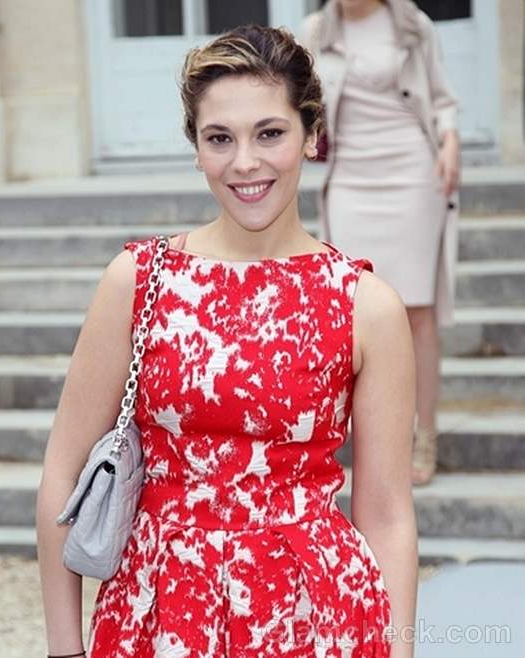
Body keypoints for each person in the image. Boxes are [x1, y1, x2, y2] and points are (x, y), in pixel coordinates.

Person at [36, 24, 418, 658]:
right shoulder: (139, 280)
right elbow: (62, 473)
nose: (245, 162)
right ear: (196, 149)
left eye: (270, 133)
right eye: (220, 138)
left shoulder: (367, 306)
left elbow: (386, 515)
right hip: (156, 611)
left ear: (312, 136)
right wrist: (63, 648)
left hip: (316, 615)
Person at [298, 0, 461, 486]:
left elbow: (443, 97)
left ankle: (423, 434)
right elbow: (297, 103)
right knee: (351, 312)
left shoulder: (412, 23)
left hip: (412, 170)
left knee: (417, 311)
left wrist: (450, 141)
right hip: (349, 177)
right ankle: (365, 438)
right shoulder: (316, 30)